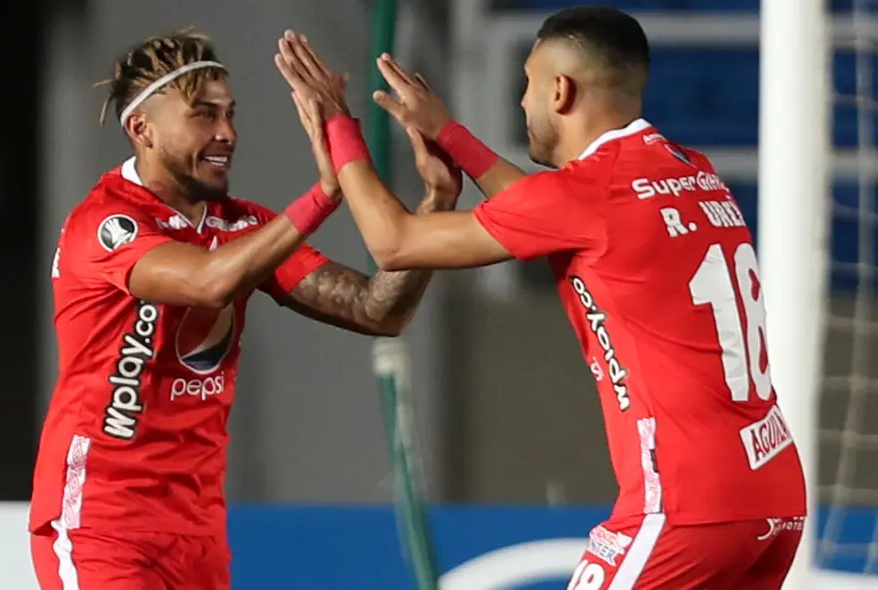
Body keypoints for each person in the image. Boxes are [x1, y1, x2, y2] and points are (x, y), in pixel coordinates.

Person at [274, 6, 806, 589]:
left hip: (683, 503)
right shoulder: (689, 170)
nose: (521, 102)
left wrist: (336, 124)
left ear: (560, 90)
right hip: (771, 493)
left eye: (525, 84)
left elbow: (394, 243)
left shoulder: (590, 193)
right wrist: (451, 136)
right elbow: (549, 210)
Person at [29, 29, 461, 590]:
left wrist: (436, 203)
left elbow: (376, 310)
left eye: (230, 114)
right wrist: (325, 192)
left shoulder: (243, 225)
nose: (227, 133)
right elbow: (210, 282)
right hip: (101, 525)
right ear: (142, 129)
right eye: (203, 116)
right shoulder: (107, 223)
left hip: (197, 532)